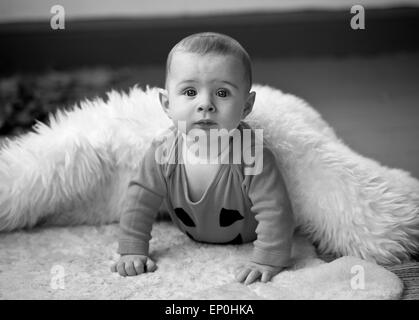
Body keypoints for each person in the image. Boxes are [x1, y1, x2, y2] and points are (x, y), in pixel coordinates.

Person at [111, 32, 295, 285]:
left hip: (246, 236)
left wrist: (268, 258)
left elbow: (275, 209)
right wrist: (132, 248)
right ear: (167, 104)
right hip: (191, 227)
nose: (205, 104)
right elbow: (140, 199)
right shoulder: (163, 151)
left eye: (222, 92)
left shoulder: (251, 153)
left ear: (246, 106)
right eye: (189, 91)